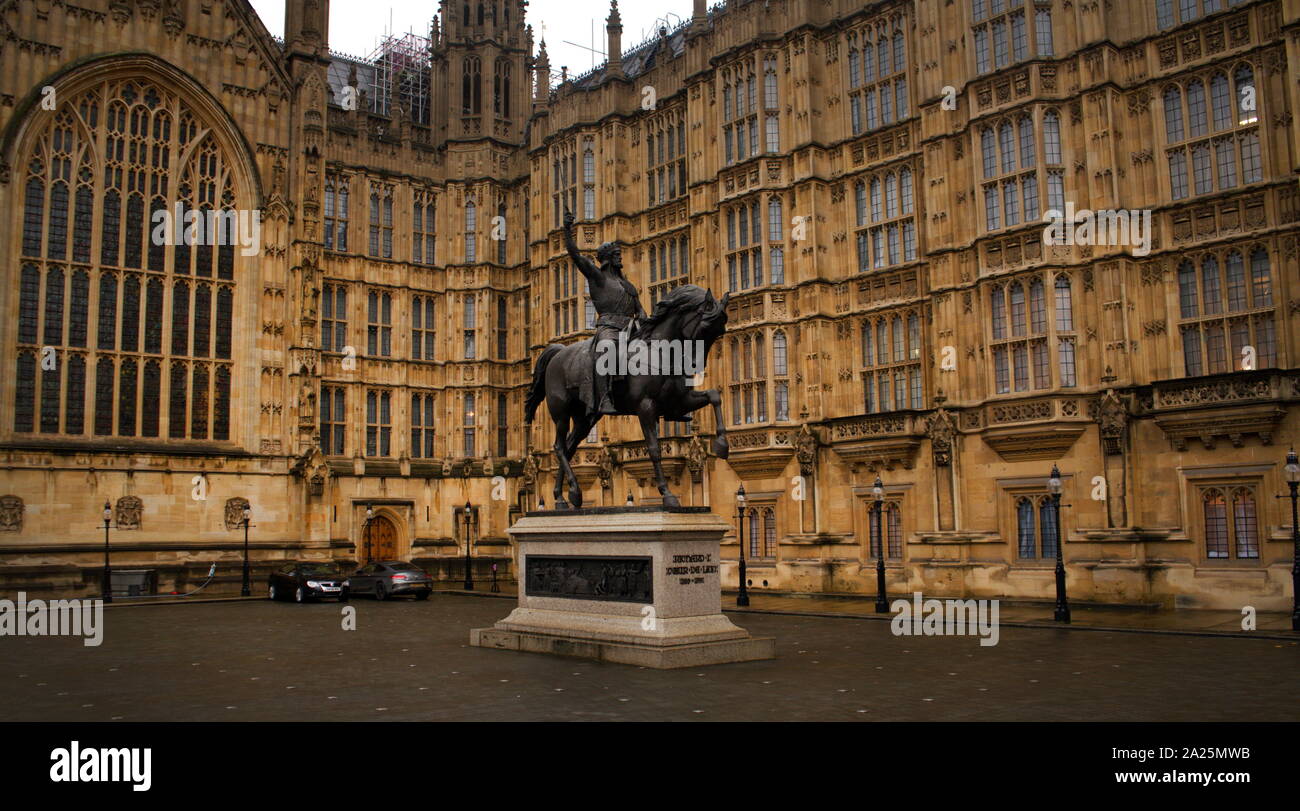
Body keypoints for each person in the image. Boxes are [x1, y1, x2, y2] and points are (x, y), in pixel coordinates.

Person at [562, 210, 646, 415]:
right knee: (605, 349)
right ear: (607, 258)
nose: (620, 258)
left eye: (620, 255)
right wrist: (567, 230)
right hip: (609, 328)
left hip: (630, 329)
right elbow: (576, 256)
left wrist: (646, 319)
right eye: (616, 255)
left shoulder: (628, 285)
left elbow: (641, 310)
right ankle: (604, 399)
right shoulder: (598, 278)